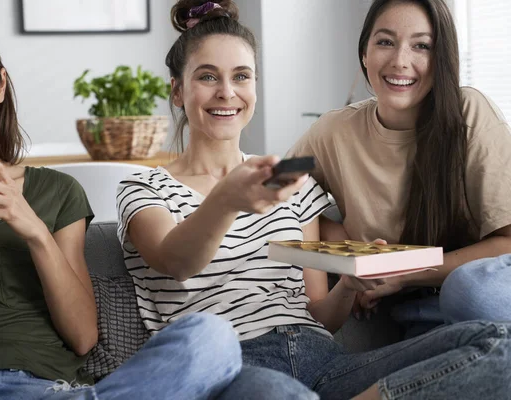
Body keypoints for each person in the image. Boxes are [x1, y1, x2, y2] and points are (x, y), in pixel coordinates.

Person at [117, 1, 511, 399]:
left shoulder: (293, 183)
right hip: (234, 365)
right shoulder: (144, 188)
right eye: (207, 76)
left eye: (241, 76)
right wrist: (225, 200)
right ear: (177, 91)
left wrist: (350, 285)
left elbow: (320, 316)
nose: (226, 92)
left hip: (324, 359)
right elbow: (177, 262)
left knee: (498, 344)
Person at [0, 13, 315, 400]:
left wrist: (31, 226)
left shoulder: (56, 191)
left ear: (1, 86)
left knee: (213, 338)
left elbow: (84, 336)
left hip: (39, 389)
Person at [289, 0, 511, 334]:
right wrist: (348, 250)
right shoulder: (333, 132)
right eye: (385, 42)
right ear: (364, 53)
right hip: (414, 315)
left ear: (442, 60)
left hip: (478, 294)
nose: (400, 61)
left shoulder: (470, 113)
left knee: (468, 291)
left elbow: (506, 244)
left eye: (421, 46)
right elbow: (276, 192)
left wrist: (399, 270)